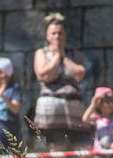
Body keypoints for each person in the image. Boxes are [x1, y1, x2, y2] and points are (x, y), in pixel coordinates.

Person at [32, 13, 89, 150]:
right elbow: (44, 75)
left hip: (75, 109)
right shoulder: (41, 53)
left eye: (60, 33)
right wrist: (57, 56)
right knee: (56, 149)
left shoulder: (73, 53)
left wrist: (63, 56)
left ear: (65, 34)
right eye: (54, 33)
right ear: (47, 36)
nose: (57, 36)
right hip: (51, 111)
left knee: (85, 147)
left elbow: (79, 74)